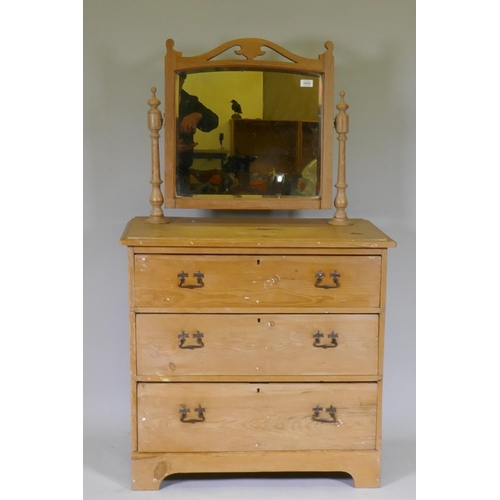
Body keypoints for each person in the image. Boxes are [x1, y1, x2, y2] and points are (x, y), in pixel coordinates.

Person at [177, 72, 219, 195]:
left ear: (184, 80)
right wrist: (171, 147)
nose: (178, 82)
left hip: (182, 169)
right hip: (155, 166)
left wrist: (198, 115)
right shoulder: (157, 99)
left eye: (181, 79)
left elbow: (213, 121)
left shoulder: (189, 101)